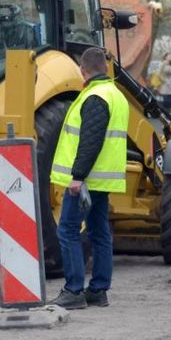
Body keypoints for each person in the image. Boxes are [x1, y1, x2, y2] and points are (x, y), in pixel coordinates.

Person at [48, 47, 129, 309]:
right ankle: (98, 290)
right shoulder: (115, 95)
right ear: (104, 68)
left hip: (86, 181)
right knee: (99, 231)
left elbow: (90, 141)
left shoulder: (95, 97)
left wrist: (77, 176)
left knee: (68, 230)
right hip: (101, 180)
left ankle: (73, 291)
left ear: (83, 70)